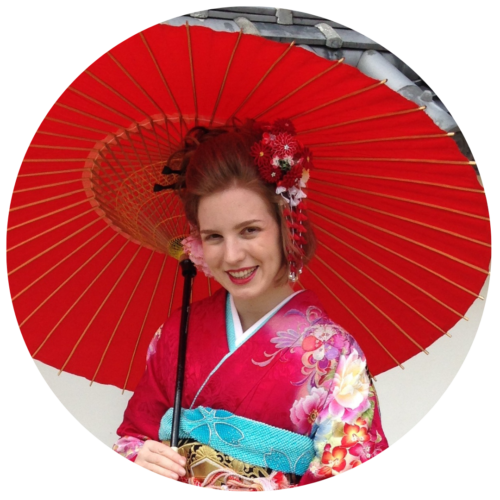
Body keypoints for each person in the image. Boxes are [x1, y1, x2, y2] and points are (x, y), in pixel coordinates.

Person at [113, 119, 389, 490]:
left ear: (286, 224)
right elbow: (134, 434)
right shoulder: (177, 333)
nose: (231, 255)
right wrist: (140, 455)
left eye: (249, 230)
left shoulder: (336, 356)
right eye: (213, 236)